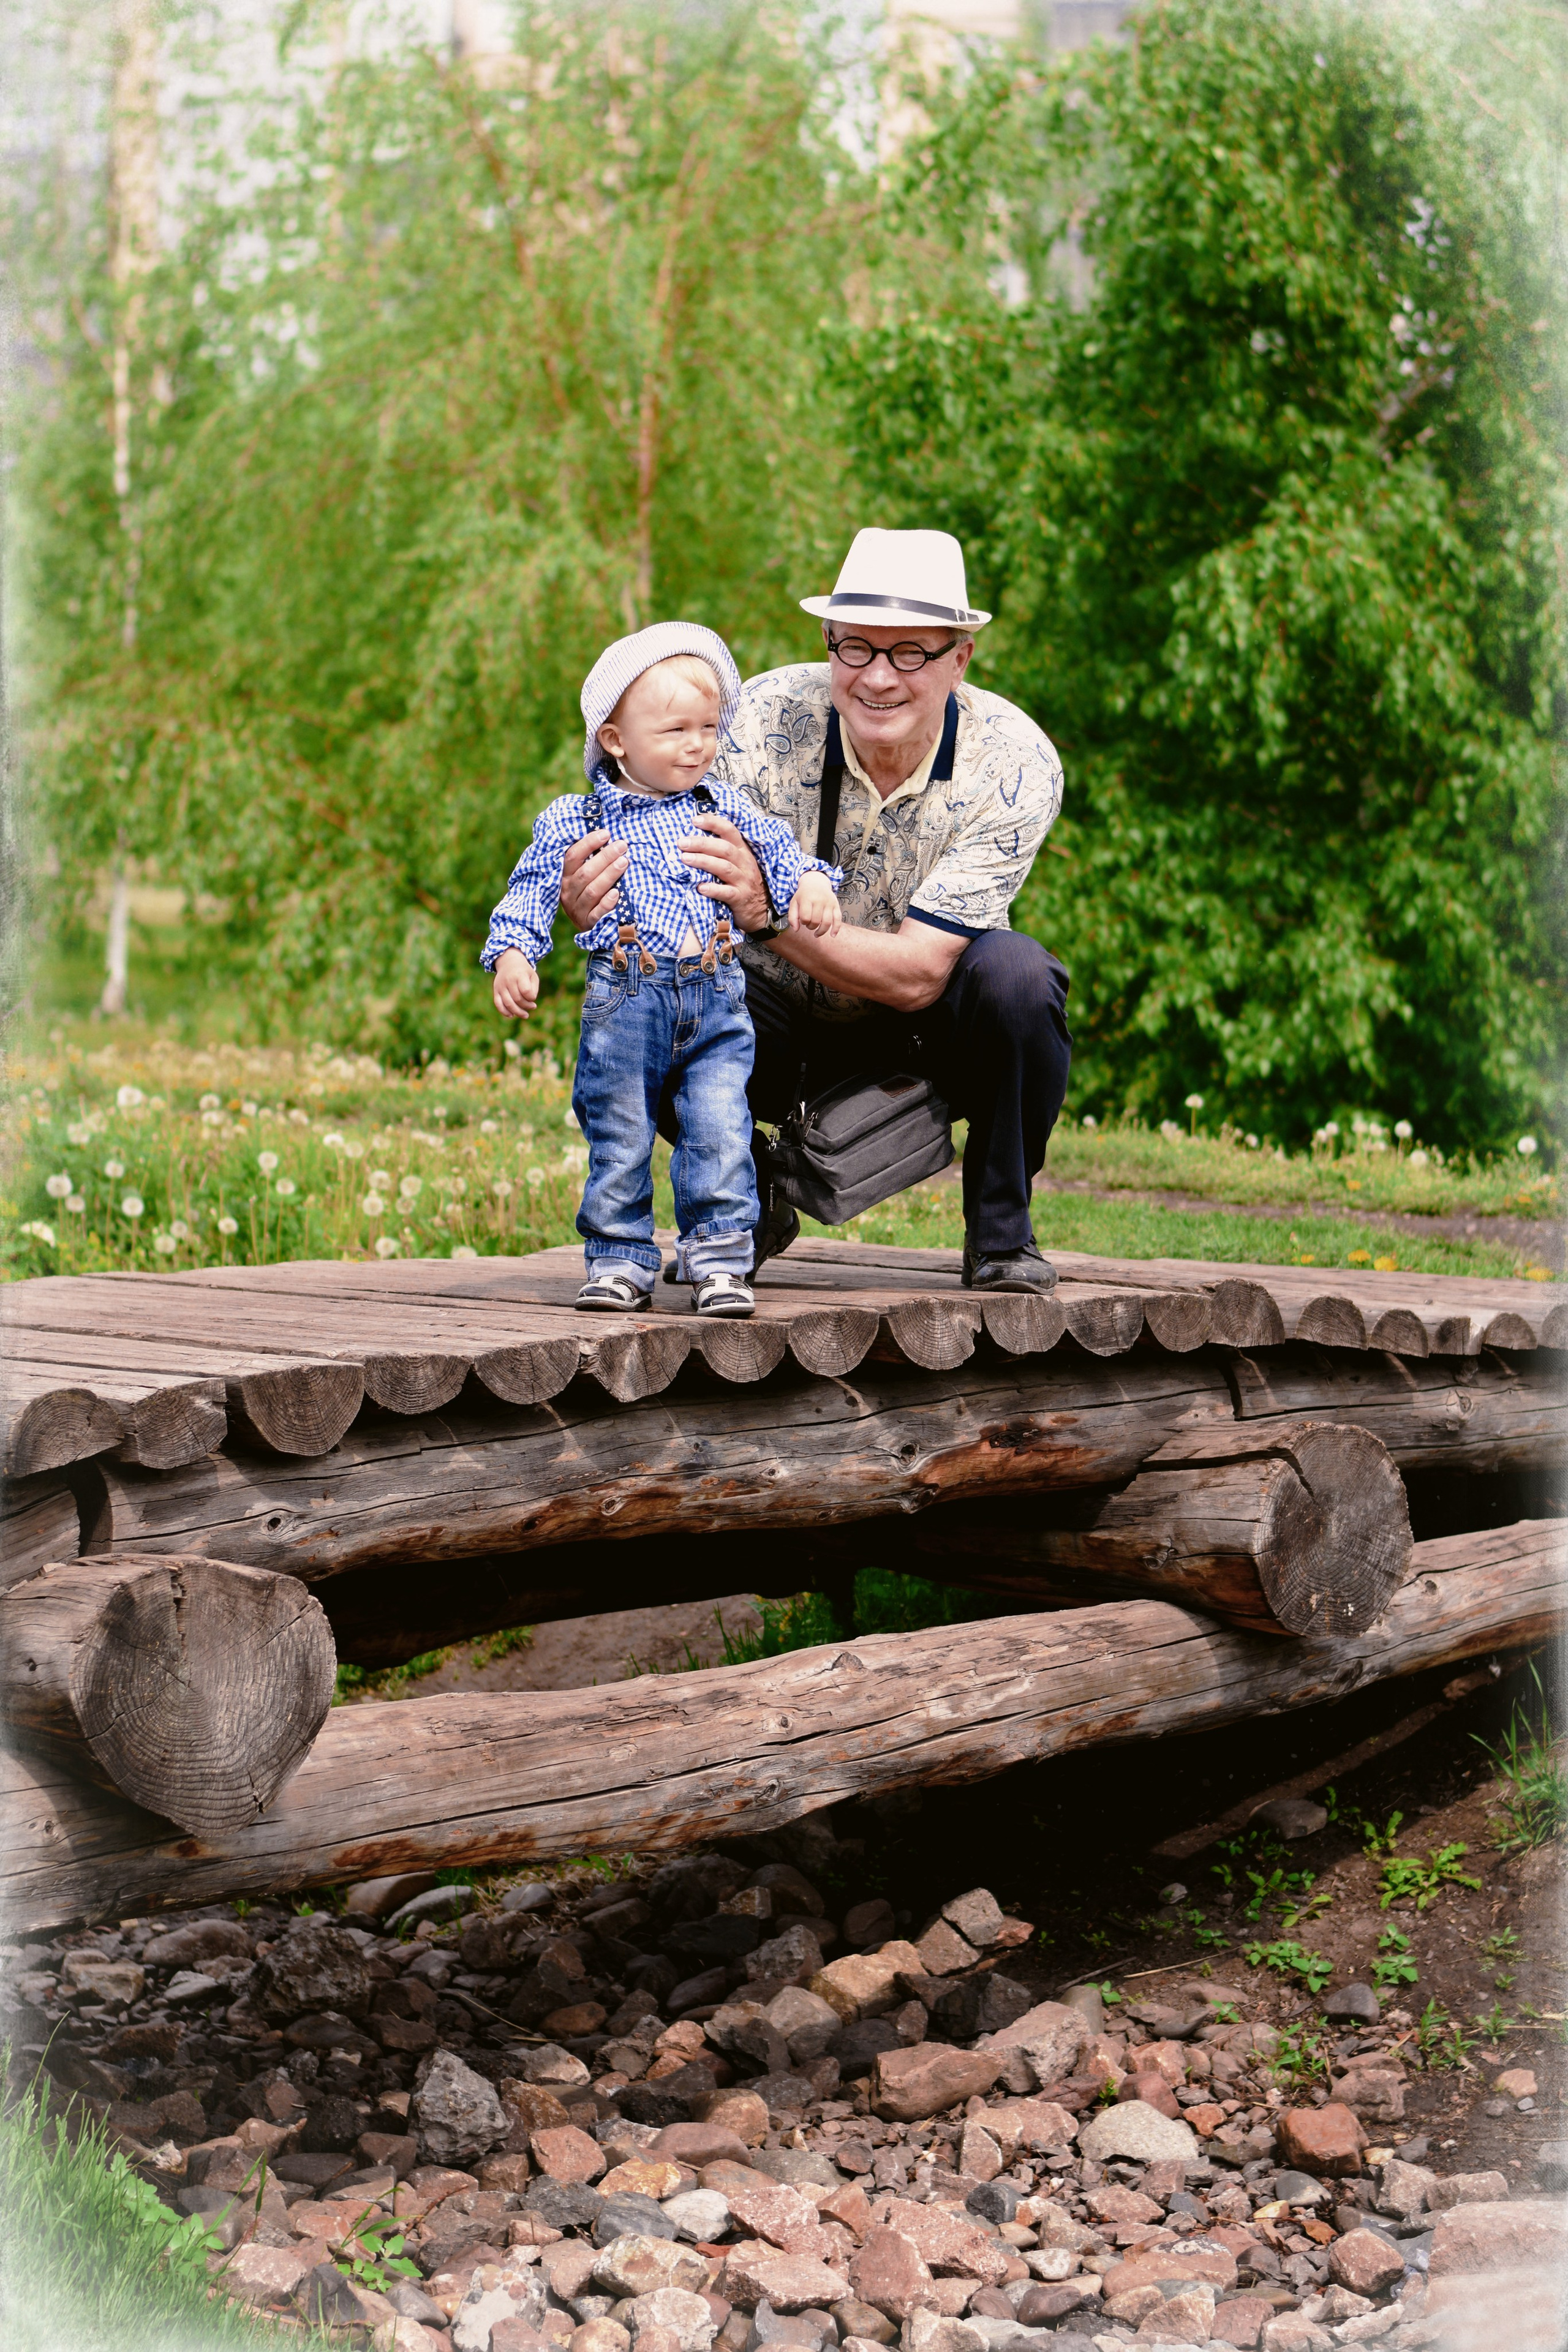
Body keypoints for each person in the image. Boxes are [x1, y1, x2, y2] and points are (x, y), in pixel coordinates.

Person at [556, 530, 1072, 1292]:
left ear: (959, 659)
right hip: (756, 1012)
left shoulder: (1016, 763)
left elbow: (919, 976)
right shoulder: (748, 722)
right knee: (640, 986)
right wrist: (592, 901)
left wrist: (767, 915)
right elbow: (645, 847)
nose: (877, 677)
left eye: (910, 653)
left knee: (1019, 978)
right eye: (854, 647)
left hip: (919, 1030)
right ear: (828, 642)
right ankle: (749, 1201)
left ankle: (1001, 1239)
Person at [483, 622, 841, 1319]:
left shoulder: (722, 804)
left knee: (719, 1128)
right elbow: (530, 889)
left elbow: (778, 849)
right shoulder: (578, 817)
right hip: (625, 1001)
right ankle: (618, 1259)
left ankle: (720, 1261)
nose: (697, 745)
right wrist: (515, 953)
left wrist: (808, 881)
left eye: (707, 728)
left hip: (717, 1000)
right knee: (619, 1133)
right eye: (675, 730)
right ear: (615, 741)